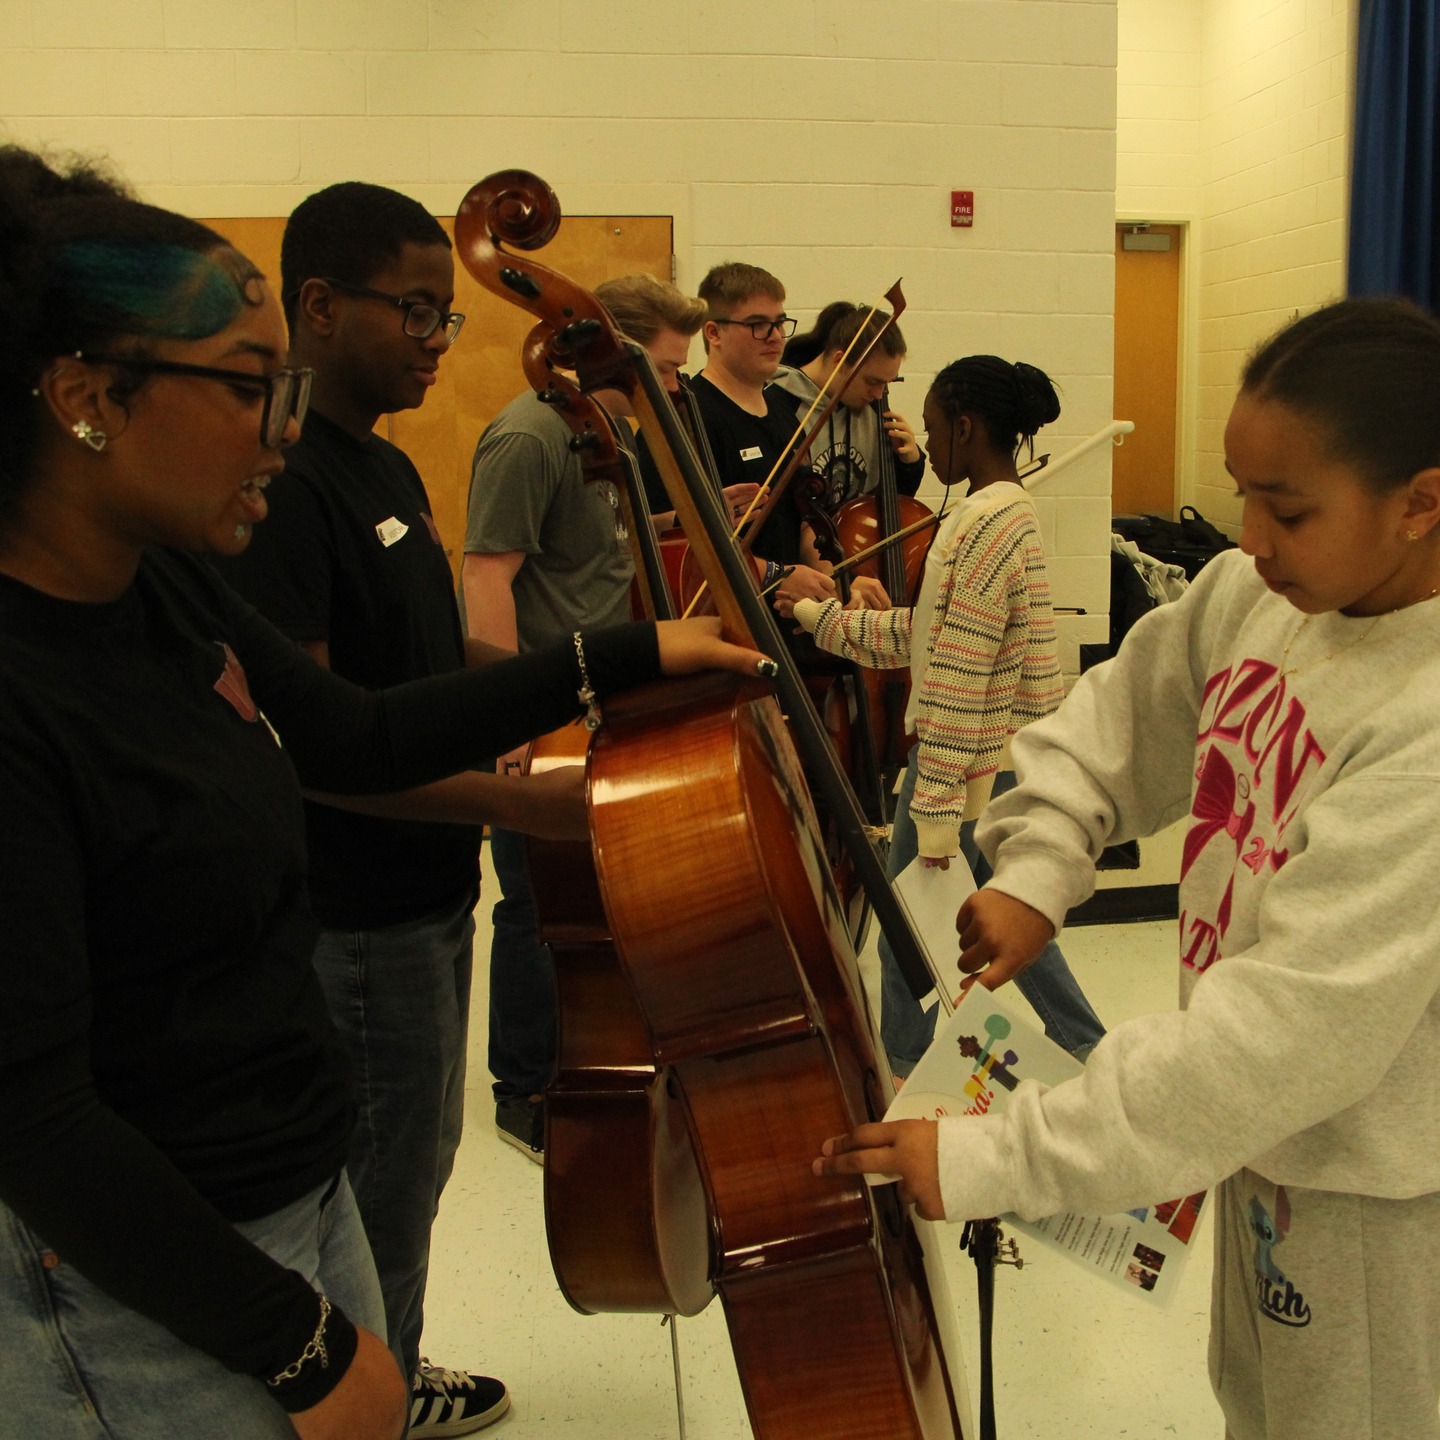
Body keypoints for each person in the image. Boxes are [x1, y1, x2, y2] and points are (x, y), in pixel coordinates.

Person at [0, 144, 767, 1440]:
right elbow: (36, 1118)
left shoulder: (170, 584)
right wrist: (298, 1350)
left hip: (296, 1200)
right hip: (159, 1294)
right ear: (86, 396)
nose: (281, 427)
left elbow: (354, 733)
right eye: (247, 387)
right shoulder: (24, 689)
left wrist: (624, 656)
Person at [814, 298, 1440, 1440]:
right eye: (1241, 491)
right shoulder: (1259, 594)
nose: (1247, 535)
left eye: (1286, 508)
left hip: (1376, 1205)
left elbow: (1276, 1041)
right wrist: (1041, 864)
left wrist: (999, 1158)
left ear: (1422, 502)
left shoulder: (1423, 724)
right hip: (1266, 1157)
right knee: (1256, 1409)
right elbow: (1116, 721)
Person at [212, 181, 505, 1434]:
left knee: (420, 1165)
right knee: (380, 1182)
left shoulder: (387, 463)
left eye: (447, 316)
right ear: (320, 309)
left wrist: (600, 672)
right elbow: (325, 748)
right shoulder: (285, 490)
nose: (439, 341)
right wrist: (535, 810)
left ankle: (397, 1358)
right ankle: (367, 1399)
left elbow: (422, 675)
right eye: (419, 313)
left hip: (433, 890)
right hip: (362, 911)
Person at [461, 273, 730, 1160]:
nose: (673, 387)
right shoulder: (530, 435)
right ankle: (525, 1086)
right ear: (600, 351)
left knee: (600, 902)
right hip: (544, 709)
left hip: (606, 700)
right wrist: (503, 719)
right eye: (659, 367)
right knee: (535, 908)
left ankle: (599, 1061)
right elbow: (488, 576)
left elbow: (592, 547)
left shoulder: (610, 436)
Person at [780, 356, 1105, 1070]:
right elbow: (924, 636)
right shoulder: (990, 517)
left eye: (933, 431)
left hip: (968, 764)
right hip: (990, 762)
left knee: (914, 925)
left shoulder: (989, 528)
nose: (925, 448)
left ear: (967, 427)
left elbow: (958, 675)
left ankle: (904, 1069)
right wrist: (816, 617)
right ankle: (1082, 1045)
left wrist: (933, 810)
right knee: (984, 915)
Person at [689, 262, 840, 612]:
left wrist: (830, 589)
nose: (775, 336)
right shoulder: (691, 414)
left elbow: (807, 517)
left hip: (790, 620)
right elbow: (681, 545)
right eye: (757, 325)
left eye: (779, 323)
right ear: (714, 333)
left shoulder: (783, 411)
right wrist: (778, 574)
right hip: (730, 620)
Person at [773, 299, 926, 511]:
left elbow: (889, 508)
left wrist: (908, 464)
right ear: (839, 361)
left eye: (886, 383)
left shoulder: (872, 408)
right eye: (872, 382)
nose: (879, 394)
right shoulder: (778, 403)